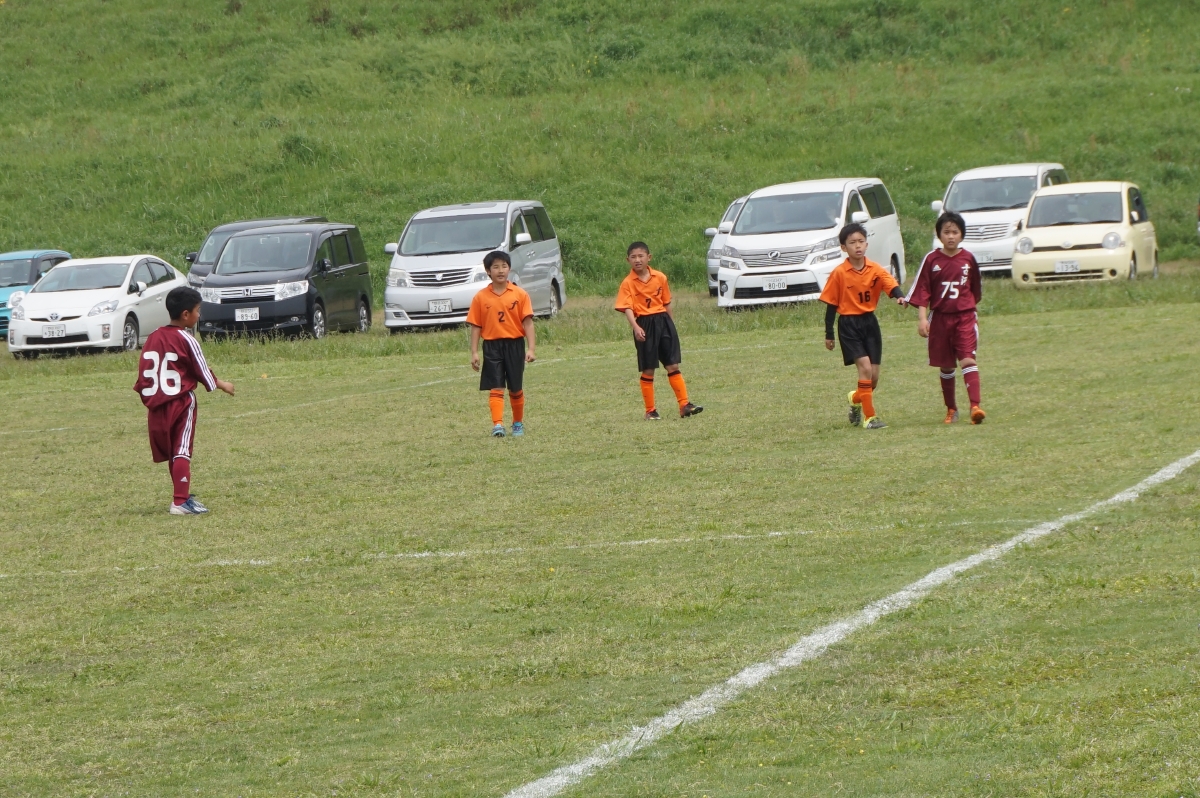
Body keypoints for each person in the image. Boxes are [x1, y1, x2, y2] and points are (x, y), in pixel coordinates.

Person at [133, 286, 234, 515]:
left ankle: (182, 495)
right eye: (198, 310)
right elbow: (202, 371)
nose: (199, 315)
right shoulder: (187, 339)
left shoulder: (153, 337)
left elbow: (143, 374)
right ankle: (180, 502)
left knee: (173, 451)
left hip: (156, 406)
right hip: (181, 402)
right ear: (186, 314)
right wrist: (222, 384)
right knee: (182, 449)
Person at [819, 223, 907, 429]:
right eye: (852, 243)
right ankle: (870, 418)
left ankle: (855, 398)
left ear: (866, 244)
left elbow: (890, 284)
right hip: (848, 325)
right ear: (844, 247)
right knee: (865, 368)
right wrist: (829, 334)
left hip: (869, 324)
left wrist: (900, 297)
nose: (857, 246)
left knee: (873, 378)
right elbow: (831, 305)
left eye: (861, 241)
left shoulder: (874, 269)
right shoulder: (839, 273)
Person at [905, 211, 986, 424]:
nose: (951, 236)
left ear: (962, 235)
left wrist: (970, 309)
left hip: (965, 317)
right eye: (946, 232)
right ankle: (951, 409)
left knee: (968, 359)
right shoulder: (931, 260)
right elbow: (923, 290)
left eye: (955, 232)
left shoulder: (968, 259)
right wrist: (923, 319)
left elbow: (975, 290)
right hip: (940, 319)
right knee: (947, 366)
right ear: (939, 234)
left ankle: (975, 407)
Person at [614, 241, 702, 420]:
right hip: (644, 324)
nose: (637, 260)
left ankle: (684, 405)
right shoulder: (627, 283)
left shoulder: (660, 277)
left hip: (663, 321)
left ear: (649, 257)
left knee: (672, 365)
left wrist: (671, 326)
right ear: (628, 260)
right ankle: (650, 411)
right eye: (633, 257)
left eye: (641, 256)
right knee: (648, 369)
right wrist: (636, 327)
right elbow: (627, 307)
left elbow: (666, 302)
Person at [467, 250, 536, 437]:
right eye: (495, 267)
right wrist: (474, 352)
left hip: (515, 345)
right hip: (492, 346)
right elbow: (476, 326)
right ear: (488, 271)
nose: (500, 270)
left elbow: (528, 323)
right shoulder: (480, 297)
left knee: (515, 387)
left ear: (509, 269)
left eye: (504, 266)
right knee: (496, 386)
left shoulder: (520, 294)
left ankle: (517, 423)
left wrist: (531, 348)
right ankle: (498, 424)